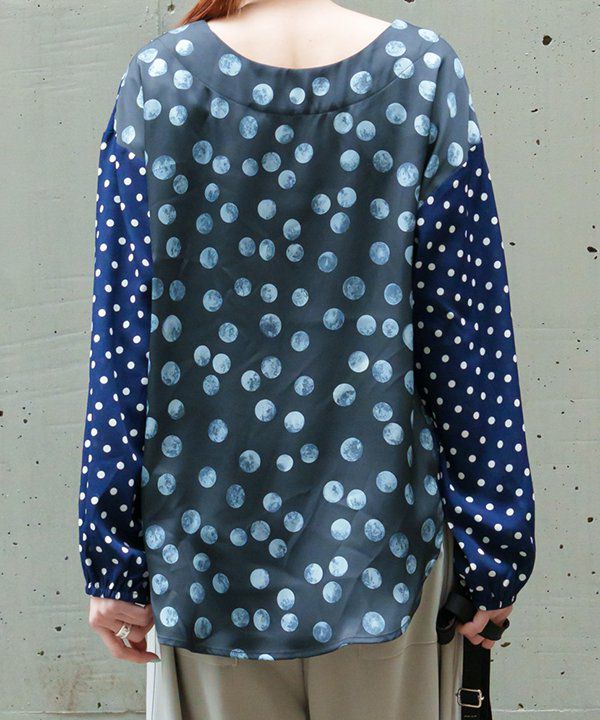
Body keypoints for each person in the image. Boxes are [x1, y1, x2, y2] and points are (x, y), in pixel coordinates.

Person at [77, 1, 537, 717]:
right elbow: (465, 335)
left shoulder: (160, 79)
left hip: (201, 552)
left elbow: (124, 339)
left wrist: (113, 558)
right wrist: (494, 551)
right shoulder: (421, 71)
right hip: (385, 549)